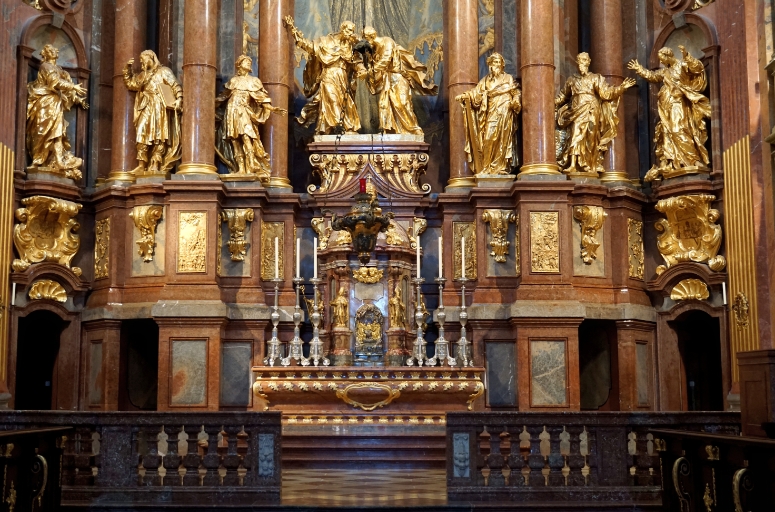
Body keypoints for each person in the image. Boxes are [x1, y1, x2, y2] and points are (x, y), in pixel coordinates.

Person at [628, 46, 711, 181]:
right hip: (666, 107)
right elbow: (653, 76)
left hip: (680, 104)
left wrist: (687, 56)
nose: (662, 62)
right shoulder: (665, 72)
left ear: (669, 56)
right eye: (660, 60)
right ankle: (675, 163)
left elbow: (698, 69)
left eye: (663, 59)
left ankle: (693, 159)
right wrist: (639, 69)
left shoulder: (682, 65)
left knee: (680, 130)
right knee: (669, 133)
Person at [555, 53, 634, 175]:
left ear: (589, 62)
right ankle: (572, 164)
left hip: (592, 110)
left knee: (590, 138)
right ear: (577, 63)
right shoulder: (571, 80)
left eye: (585, 60)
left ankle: (587, 163)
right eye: (580, 60)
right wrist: (550, 103)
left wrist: (622, 88)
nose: (582, 62)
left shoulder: (595, 78)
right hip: (576, 110)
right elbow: (562, 97)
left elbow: (606, 94)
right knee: (575, 135)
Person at [284, 16, 364, 135]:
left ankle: (345, 127)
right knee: (331, 100)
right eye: (348, 30)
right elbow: (309, 47)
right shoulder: (325, 42)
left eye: (352, 31)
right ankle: (338, 127)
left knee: (344, 103)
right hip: (328, 75)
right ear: (342, 28)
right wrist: (293, 31)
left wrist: (361, 70)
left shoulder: (350, 46)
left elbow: (357, 62)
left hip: (342, 78)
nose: (349, 34)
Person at [215, 55, 287, 182]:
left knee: (247, 137)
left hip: (244, 111)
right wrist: (207, 105)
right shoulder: (233, 81)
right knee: (234, 141)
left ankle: (251, 165)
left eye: (250, 62)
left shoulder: (254, 81)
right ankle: (241, 169)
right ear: (239, 64)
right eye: (246, 61)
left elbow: (261, 98)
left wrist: (272, 109)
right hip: (231, 111)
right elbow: (222, 98)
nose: (249, 63)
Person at [26, 44, 88, 180]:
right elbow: (54, 82)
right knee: (42, 131)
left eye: (56, 49)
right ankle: (38, 159)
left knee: (57, 132)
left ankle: (59, 160)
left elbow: (66, 89)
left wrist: (77, 99)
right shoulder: (46, 66)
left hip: (56, 103)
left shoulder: (60, 69)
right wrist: (73, 86)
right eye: (53, 49)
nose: (57, 50)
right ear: (47, 53)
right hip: (45, 102)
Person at [361, 26, 438, 135]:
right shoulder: (374, 52)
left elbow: (385, 60)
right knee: (384, 104)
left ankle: (413, 129)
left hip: (398, 77)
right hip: (387, 80)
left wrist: (368, 72)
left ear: (369, 38)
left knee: (401, 103)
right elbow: (375, 70)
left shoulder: (387, 41)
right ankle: (388, 130)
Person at [456, 53, 521, 175]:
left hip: (505, 110)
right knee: (488, 138)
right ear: (489, 65)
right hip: (491, 111)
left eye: (497, 62)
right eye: (493, 62)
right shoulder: (485, 81)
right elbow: (476, 93)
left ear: (502, 65)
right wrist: (466, 96)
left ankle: (501, 167)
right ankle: (486, 168)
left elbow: (515, 92)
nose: (495, 65)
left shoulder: (508, 78)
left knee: (503, 138)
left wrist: (515, 101)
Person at [123, 50, 182, 175]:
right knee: (141, 134)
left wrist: (179, 99)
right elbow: (131, 84)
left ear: (151, 58)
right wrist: (127, 69)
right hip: (145, 107)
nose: (142, 62)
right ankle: (141, 164)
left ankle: (155, 163)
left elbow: (175, 85)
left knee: (158, 136)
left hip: (159, 107)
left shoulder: (164, 71)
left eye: (143, 59)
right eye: (140, 61)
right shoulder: (142, 76)